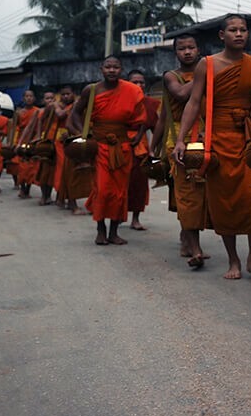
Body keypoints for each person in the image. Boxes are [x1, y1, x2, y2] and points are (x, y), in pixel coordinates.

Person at [174, 15, 251, 281]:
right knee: (224, 202)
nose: (239, 34)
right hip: (218, 141)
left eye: (243, 30)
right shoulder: (207, 65)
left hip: (247, 140)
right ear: (221, 35)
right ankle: (233, 260)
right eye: (233, 30)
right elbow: (193, 102)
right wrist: (181, 139)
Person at [68, 56, 147, 245]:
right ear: (101, 68)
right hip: (100, 146)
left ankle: (114, 231)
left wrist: (137, 136)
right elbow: (75, 113)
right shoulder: (92, 90)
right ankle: (100, 229)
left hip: (122, 146)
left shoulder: (131, 90)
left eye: (116, 67)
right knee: (102, 189)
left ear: (121, 69)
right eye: (108, 67)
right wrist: (83, 134)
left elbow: (142, 118)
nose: (112, 70)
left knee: (119, 191)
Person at [155, 35, 210, 267]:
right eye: (182, 48)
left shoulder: (209, 71)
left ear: (199, 48)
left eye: (191, 47)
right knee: (187, 192)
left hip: (206, 135)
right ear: (175, 52)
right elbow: (179, 96)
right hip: (178, 139)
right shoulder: (171, 76)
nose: (187, 51)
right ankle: (195, 247)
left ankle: (187, 237)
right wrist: (204, 74)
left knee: (199, 193)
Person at [126, 70, 161, 231]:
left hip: (141, 147)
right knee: (120, 183)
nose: (139, 85)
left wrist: (156, 150)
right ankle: (117, 215)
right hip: (121, 145)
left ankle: (136, 218)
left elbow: (157, 129)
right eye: (135, 82)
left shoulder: (150, 104)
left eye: (141, 82)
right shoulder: (121, 100)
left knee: (139, 183)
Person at [53, 85, 88, 215]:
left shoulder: (84, 105)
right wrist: (81, 135)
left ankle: (63, 198)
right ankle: (71, 202)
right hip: (69, 140)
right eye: (64, 94)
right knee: (68, 170)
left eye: (68, 94)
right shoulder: (71, 107)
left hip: (84, 140)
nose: (66, 96)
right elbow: (66, 122)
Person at [23, 90, 60, 206]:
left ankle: (53, 197)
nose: (49, 101)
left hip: (56, 142)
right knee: (43, 170)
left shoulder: (58, 111)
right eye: (47, 98)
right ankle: (44, 196)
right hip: (44, 144)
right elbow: (33, 126)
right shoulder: (40, 112)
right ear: (43, 101)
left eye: (52, 98)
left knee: (53, 171)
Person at [13, 89, 39, 199]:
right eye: (26, 96)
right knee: (22, 167)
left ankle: (27, 189)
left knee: (31, 166)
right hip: (21, 139)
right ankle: (22, 188)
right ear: (23, 98)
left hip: (33, 139)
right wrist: (15, 142)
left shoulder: (38, 111)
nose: (29, 98)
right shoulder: (19, 113)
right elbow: (15, 128)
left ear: (34, 98)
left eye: (31, 96)